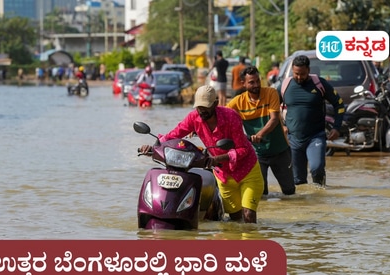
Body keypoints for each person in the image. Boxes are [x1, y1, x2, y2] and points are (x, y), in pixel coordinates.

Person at [140, 85, 264, 223]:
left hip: (247, 170)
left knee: (248, 216)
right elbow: (175, 134)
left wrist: (218, 158)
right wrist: (154, 147)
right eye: (199, 107)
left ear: (215, 104)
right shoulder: (194, 117)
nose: (201, 111)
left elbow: (243, 149)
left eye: (205, 107)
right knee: (235, 221)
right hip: (224, 175)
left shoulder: (231, 117)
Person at [227, 66, 295, 196]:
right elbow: (221, 116)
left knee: (289, 192)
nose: (256, 85)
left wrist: (259, 135)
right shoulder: (238, 102)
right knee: (260, 194)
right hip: (257, 154)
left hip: (280, 151)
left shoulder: (271, 93)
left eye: (258, 81)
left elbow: (274, 119)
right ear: (243, 83)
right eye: (251, 82)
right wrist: (197, 127)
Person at [277, 55, 344, 187]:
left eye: (302, 74)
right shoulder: (285, 86)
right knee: (298, 181)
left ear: (309, 70)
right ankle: (306, 206)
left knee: (316, 168)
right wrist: (281, 126)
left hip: (316, 137)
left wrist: (337, 127)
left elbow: (339, 105)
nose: (299, 77)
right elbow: (272, 110)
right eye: (296, 74)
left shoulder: (319, 84)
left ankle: (321, 195)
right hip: (293, 139)